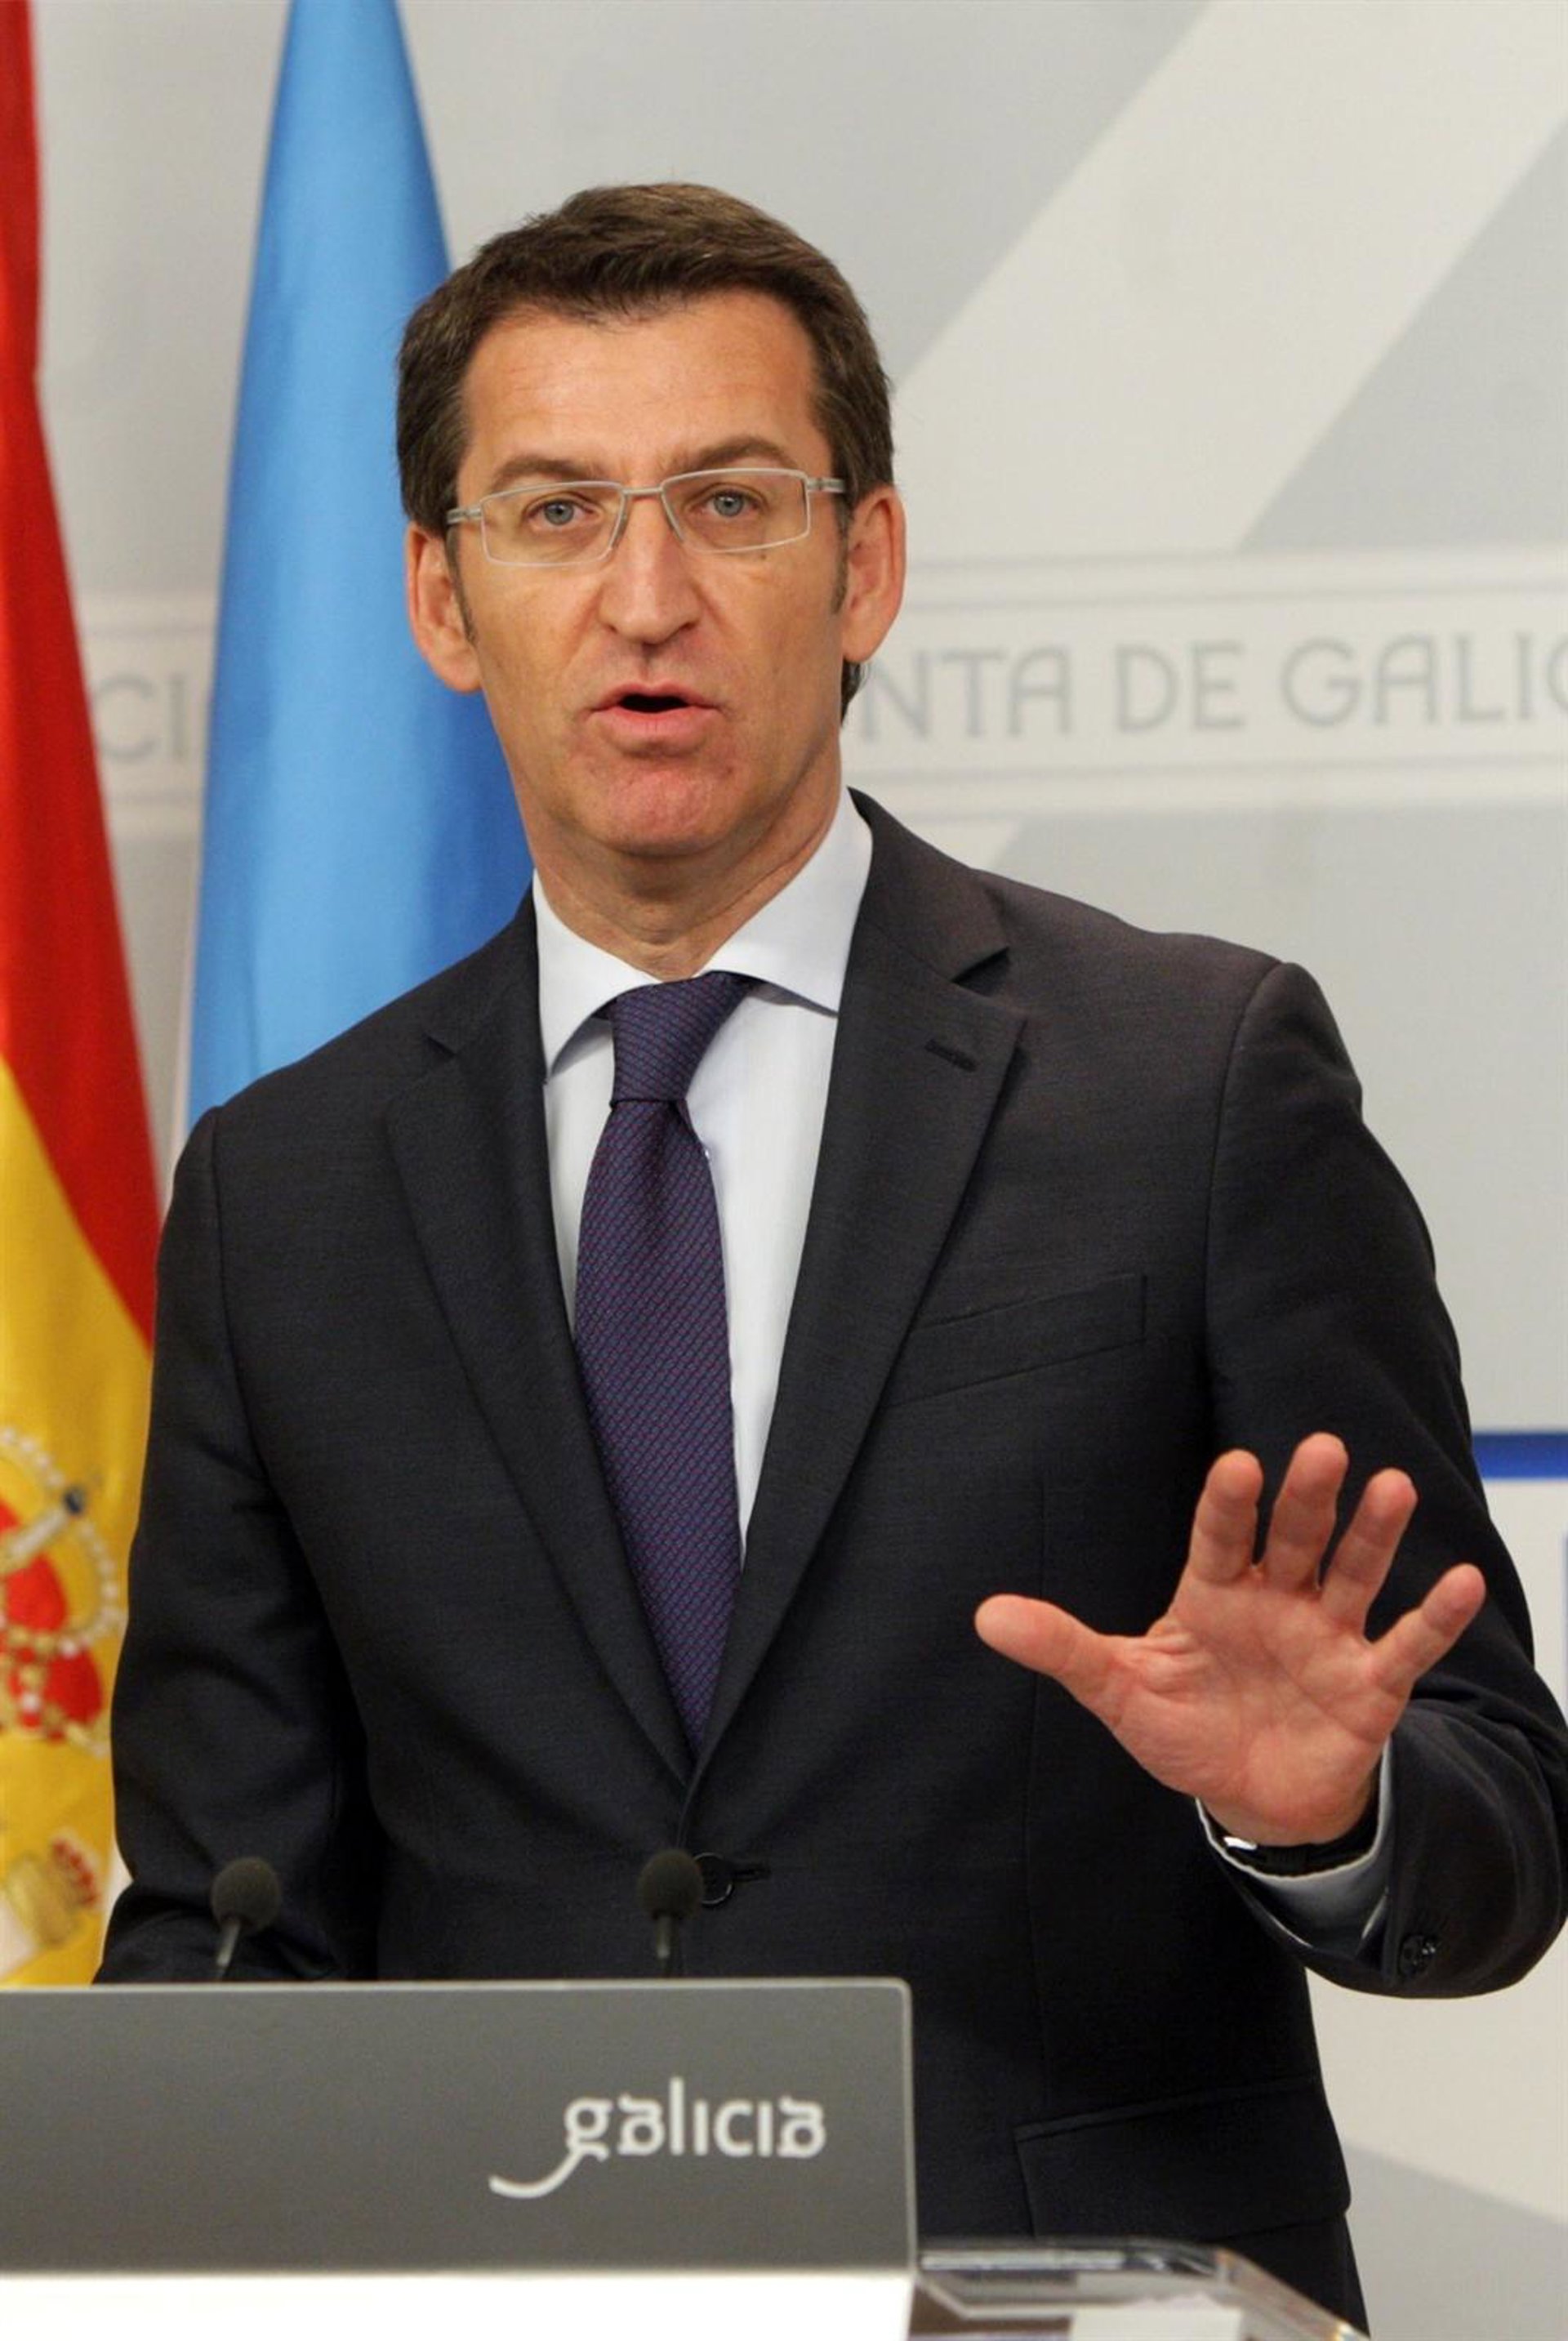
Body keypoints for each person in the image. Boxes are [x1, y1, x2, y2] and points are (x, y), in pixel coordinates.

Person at [101, 184, 1567, 2325]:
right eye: (555, 512)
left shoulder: (1191, 1084)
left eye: (731, 501)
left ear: (865, 561)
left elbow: (1498, 1804)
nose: (647, 596)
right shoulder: (286, 1190)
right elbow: (229, 1914)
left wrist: (1325, 1813)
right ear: (441, 596)